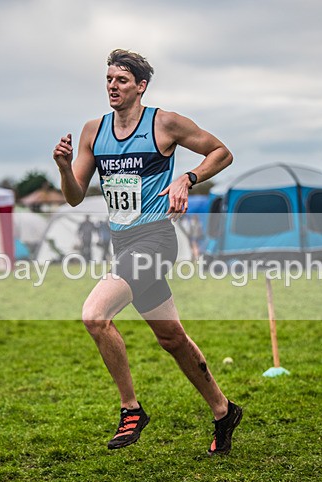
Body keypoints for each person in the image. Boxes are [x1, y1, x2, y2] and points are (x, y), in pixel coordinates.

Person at [52, 49, 241, 456]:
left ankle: (131, 409)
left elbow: (221, 153)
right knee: (172, 338)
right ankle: (224, 411)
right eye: (108, 80)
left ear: (140, 86)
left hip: (155, 240)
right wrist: (65, 168)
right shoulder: (93, 131)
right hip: (123, 242)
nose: (112, 87)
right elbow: (73, 197)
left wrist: (187, 179)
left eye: (121, 80)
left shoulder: (164, 123)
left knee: (94, 315)